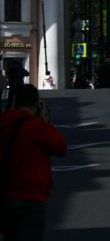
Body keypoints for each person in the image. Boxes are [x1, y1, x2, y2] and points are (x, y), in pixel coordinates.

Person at [0, 84, 67, 240]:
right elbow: (60, 147)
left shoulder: (4, 122)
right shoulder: (35, 126)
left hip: (4, 194)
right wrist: (45, 121)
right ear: (37, 104)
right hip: (30, 196)